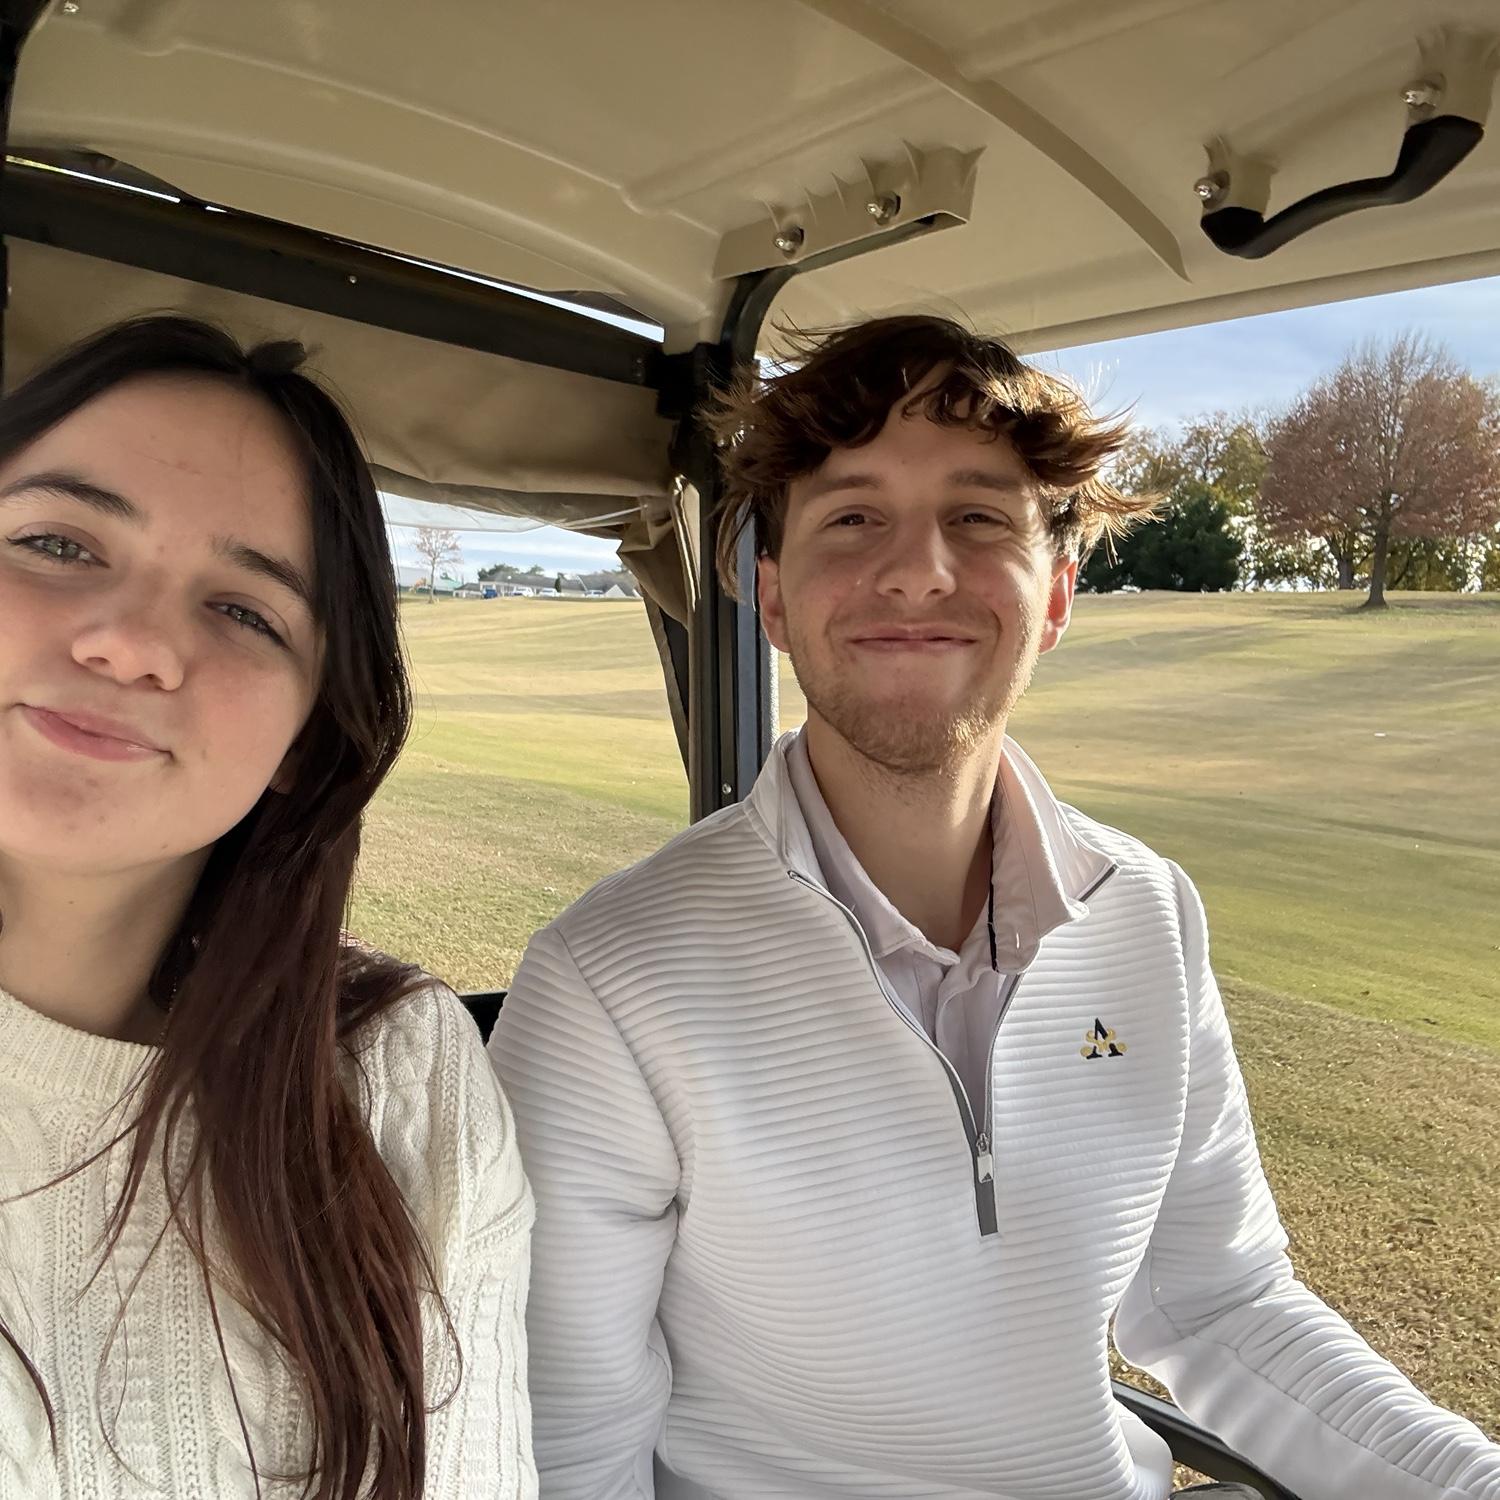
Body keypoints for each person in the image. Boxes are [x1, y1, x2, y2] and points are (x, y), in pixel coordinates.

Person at [490, 315, 1500, 1500]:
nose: (919, 569)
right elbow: (568, 1449)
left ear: (1057, 595)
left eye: (978, 517)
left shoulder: (1153, 918)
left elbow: (1223, 1307)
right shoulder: (607, 983)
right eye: (854, 516)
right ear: (772, 597)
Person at [0, 316, 534, 1499]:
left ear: (306, 740)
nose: (133, 643)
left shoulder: (401, 1073)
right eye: (54, 541)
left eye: (245, 611)